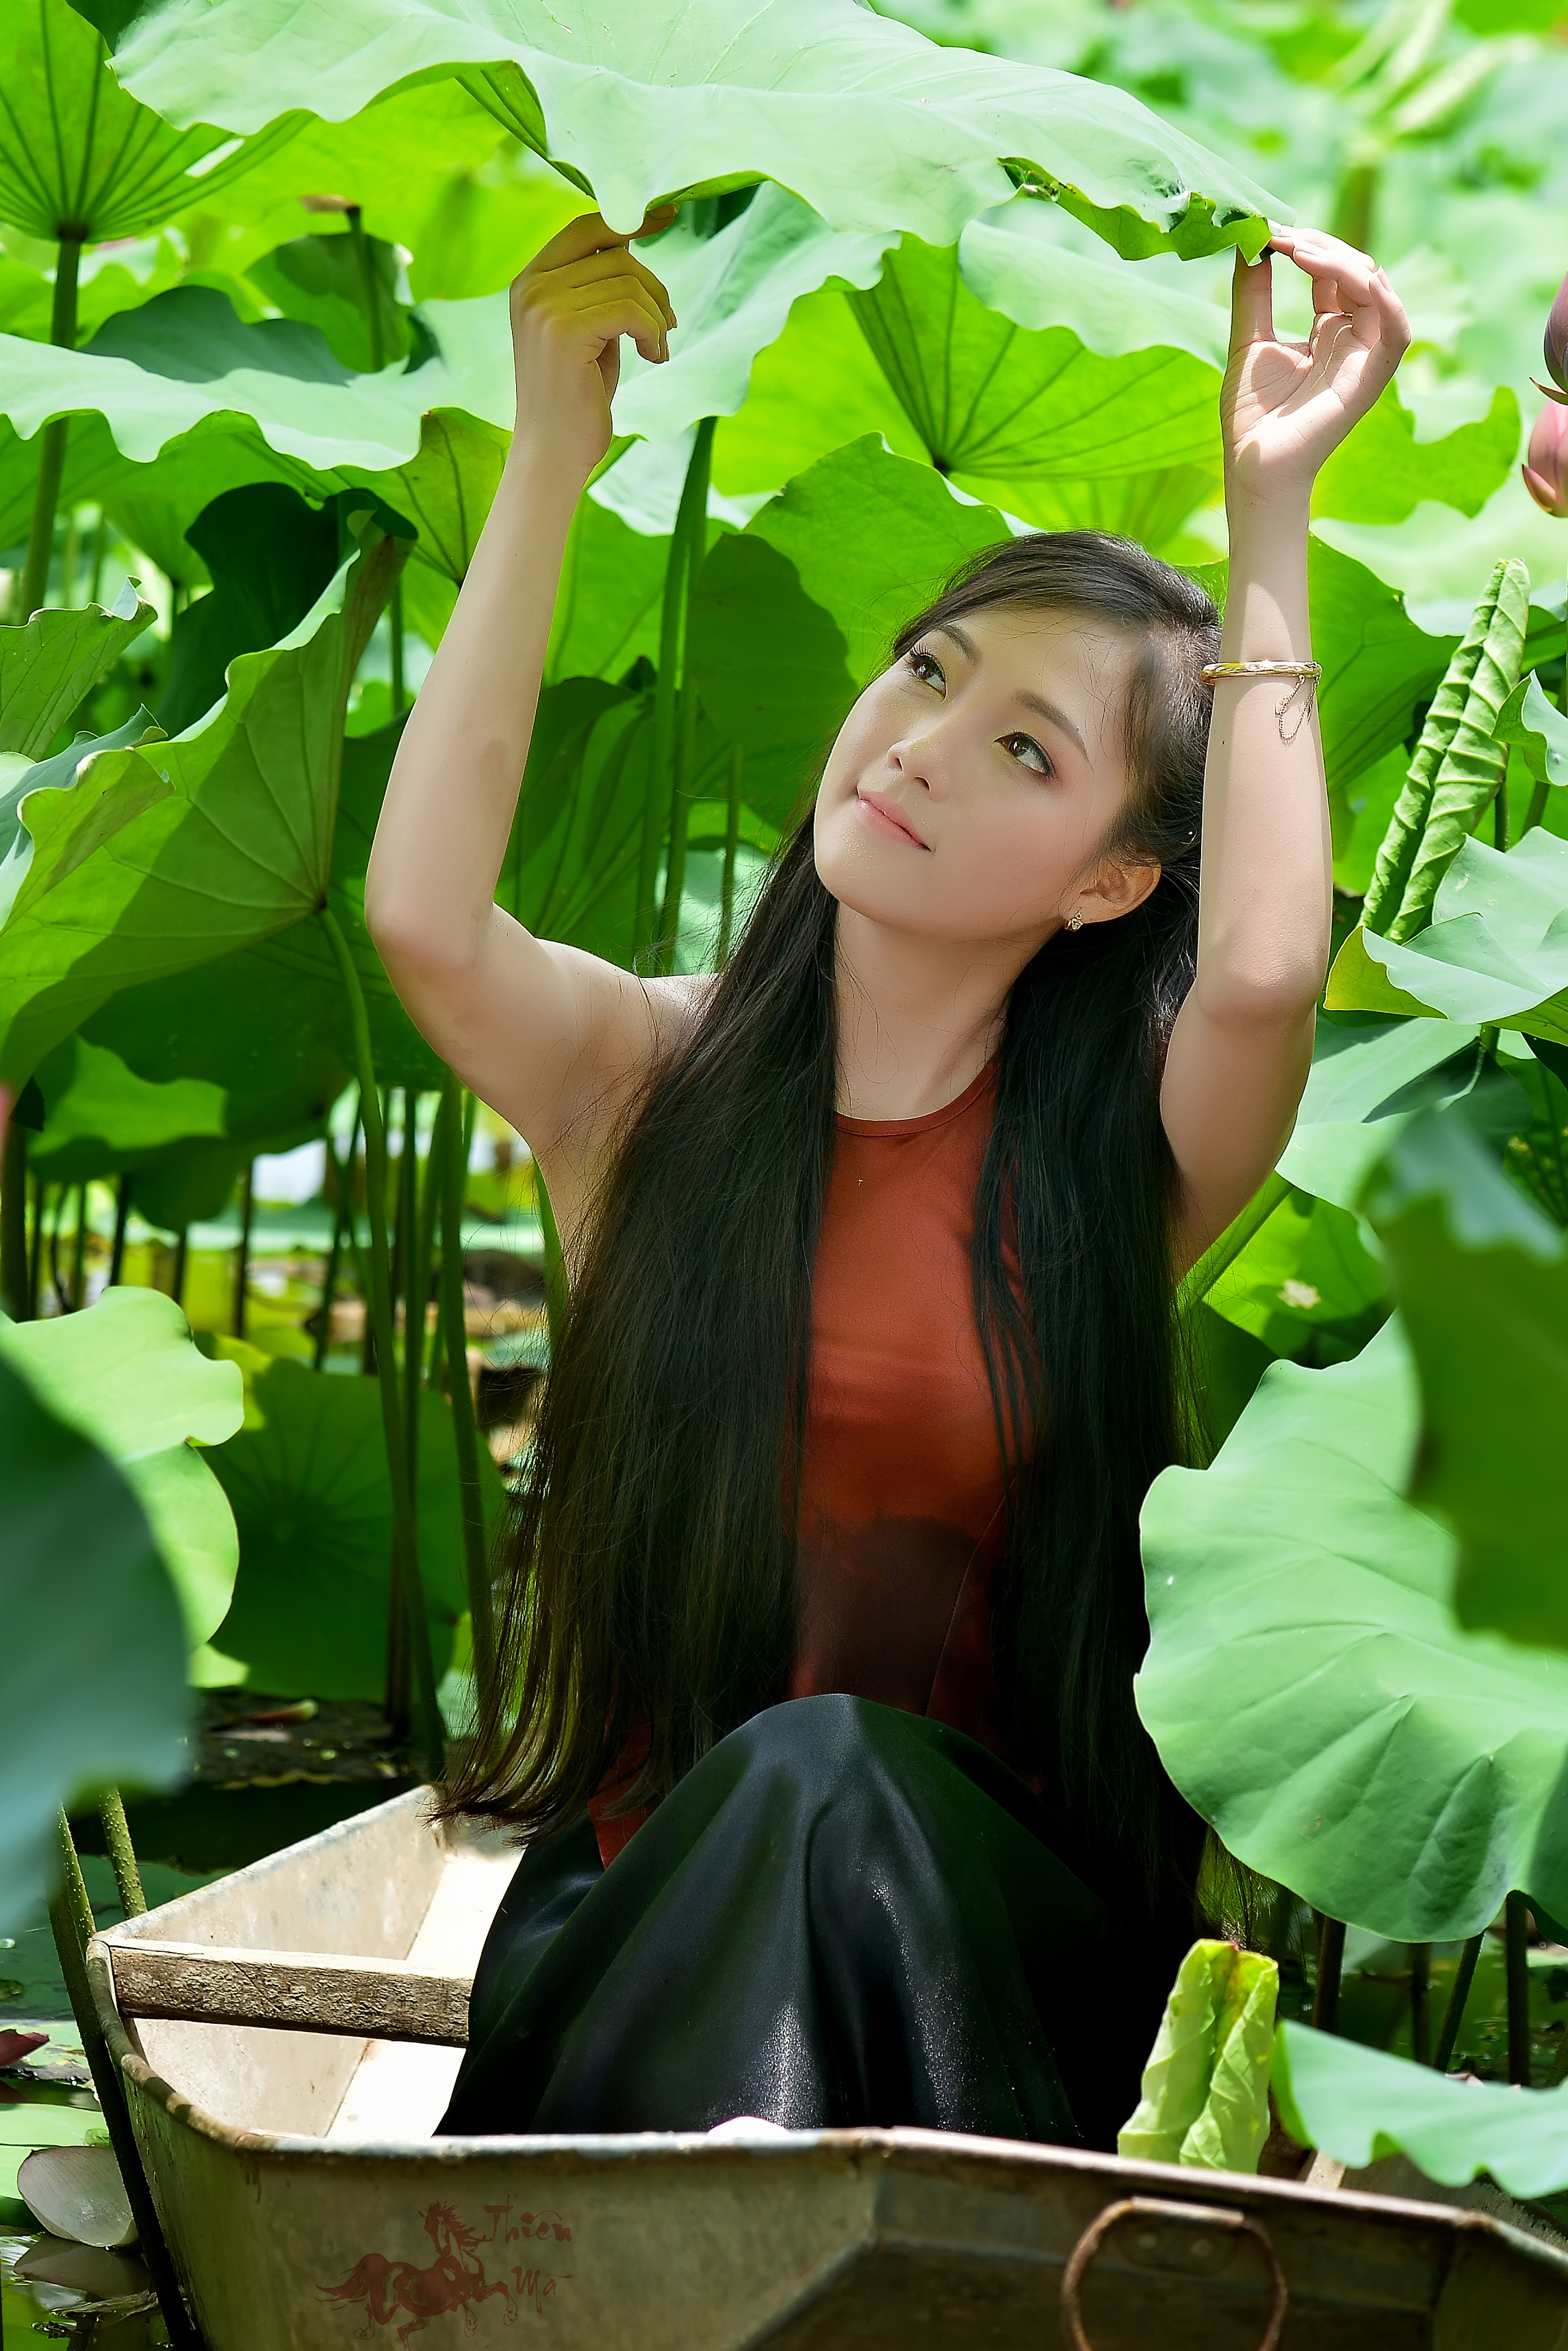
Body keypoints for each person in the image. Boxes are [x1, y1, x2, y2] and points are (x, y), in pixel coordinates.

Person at [364, 207, 1404, 2145]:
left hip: (986, 1975)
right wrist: (546, 460)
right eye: (929, 668)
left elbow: (1264, 967)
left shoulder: (1121, 1166)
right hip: (644, 1940)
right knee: (778, 1788)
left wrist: (1273, 527)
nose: (917, 744)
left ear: (1112, 882)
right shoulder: (644, 1086)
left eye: (1021, 748)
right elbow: (426, 920)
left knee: (832, 1774)